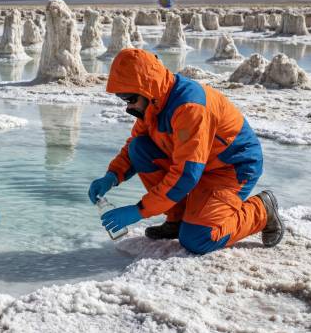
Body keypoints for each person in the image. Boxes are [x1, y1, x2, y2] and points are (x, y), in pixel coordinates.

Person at [88, 48, 283, 254]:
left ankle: (262, 210)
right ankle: (177, 219)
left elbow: (185, 176)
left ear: (147, 89)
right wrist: (112, 176)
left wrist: (139, 210)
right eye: (123, 99)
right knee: (140, 148)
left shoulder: (189, 107)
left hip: (231, 166)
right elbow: (135, 145)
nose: (128, 107)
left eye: (129, 98)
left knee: (198, 239)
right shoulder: (154, 103)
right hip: (200, 162)